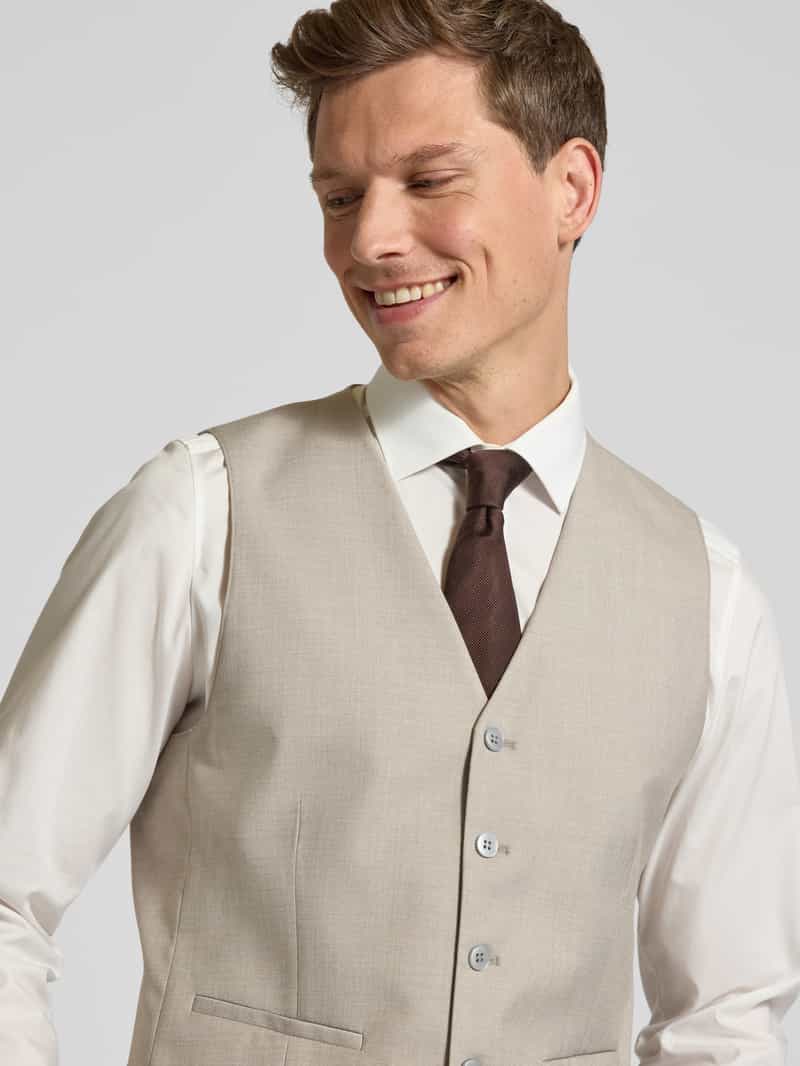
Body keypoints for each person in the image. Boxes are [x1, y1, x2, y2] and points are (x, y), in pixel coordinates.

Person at [1, 1, 798, 1064]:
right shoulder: (202, 512)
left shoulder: (706, 595)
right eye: (340, 196)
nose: (369, 241)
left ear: (571, 189)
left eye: (428, 180)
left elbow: (725, 1019)